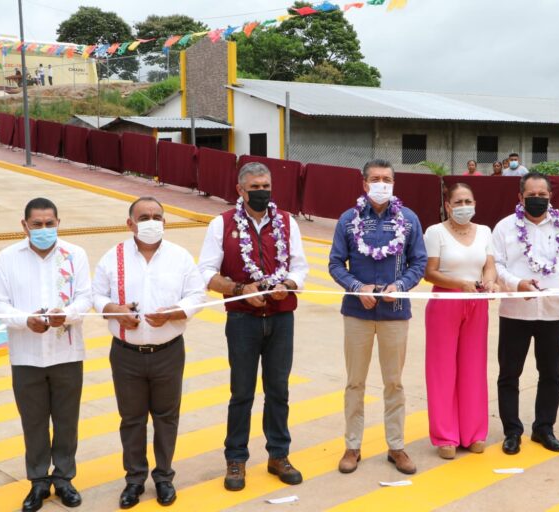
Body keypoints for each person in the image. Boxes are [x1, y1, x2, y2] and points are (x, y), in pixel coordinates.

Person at [198, 162, 309, 492]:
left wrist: (287, 283)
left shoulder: (287, 222)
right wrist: (238, 290)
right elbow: (205, 271)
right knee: (241, 392)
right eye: (256, 187)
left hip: (281, 318)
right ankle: (236, 459)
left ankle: (279, 454)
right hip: (242, 320)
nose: (262, 191)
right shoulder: (222, 224)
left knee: (279, 390)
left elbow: (301, 268)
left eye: (267, 186)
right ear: (240, 191)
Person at [93, 197, 206, 509]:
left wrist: (176, 311)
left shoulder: (180, 257)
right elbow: (96, 294)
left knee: (166, 417)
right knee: (131, 419)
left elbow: (198, 294)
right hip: (126, 353)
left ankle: (164, 476)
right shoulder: (112, 256)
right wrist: (112, 309)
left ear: (165, 221)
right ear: (130, 223)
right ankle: (134, 479)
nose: (152, 222)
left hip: (168, 352)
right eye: (144, 217)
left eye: (157, 216)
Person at [0, 197, 92, 512]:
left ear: (59, 223)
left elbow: (85, 297)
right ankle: (37, 482)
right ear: (24, 225)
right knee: (33, 422)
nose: (44, 229)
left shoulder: (75, 255)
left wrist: (70, 314)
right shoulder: (8, 257)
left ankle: (63, 478)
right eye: (37, 224)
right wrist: (25, 320)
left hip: (67, 352)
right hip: (26, 355)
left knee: (66, 421)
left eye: (50, 223)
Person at [329, 159, 427, 475]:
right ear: (364, 183)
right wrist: (358, 287)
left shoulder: (409, 220)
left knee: (394, 383)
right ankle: (352, 446)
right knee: (355, 382)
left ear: (394, 183)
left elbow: (419, 263)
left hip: (395, 313)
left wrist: (400, 285)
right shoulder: (348, 220)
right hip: (357, 313)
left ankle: (396, 447)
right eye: (375, 178)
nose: (381, 183)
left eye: (387, 178)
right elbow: (334, 264)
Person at [492, 172, 559, 455]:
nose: (537, 200)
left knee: (551, 373)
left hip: (553, 313)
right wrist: (515, 284)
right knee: (510, 373)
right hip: (515, 312)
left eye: (542, 196)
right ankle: (512, 431)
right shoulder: (505, 228)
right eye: (531, 196)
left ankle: (544, 428)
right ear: (520, 197)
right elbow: (495, 265)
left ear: (550, 197)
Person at [423, 183, 497, 460]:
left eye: (469, 200)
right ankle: (446, 436)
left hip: (476, 301)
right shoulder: (435, 232)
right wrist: (458, 284)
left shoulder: (485, 232)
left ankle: (474, 432)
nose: (464, 205)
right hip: (446, 301)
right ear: (448, 205)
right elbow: (429, 273)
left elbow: (488, 264)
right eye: (458, 201)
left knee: (473, 366)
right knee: (442, 369)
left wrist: (490, 281)